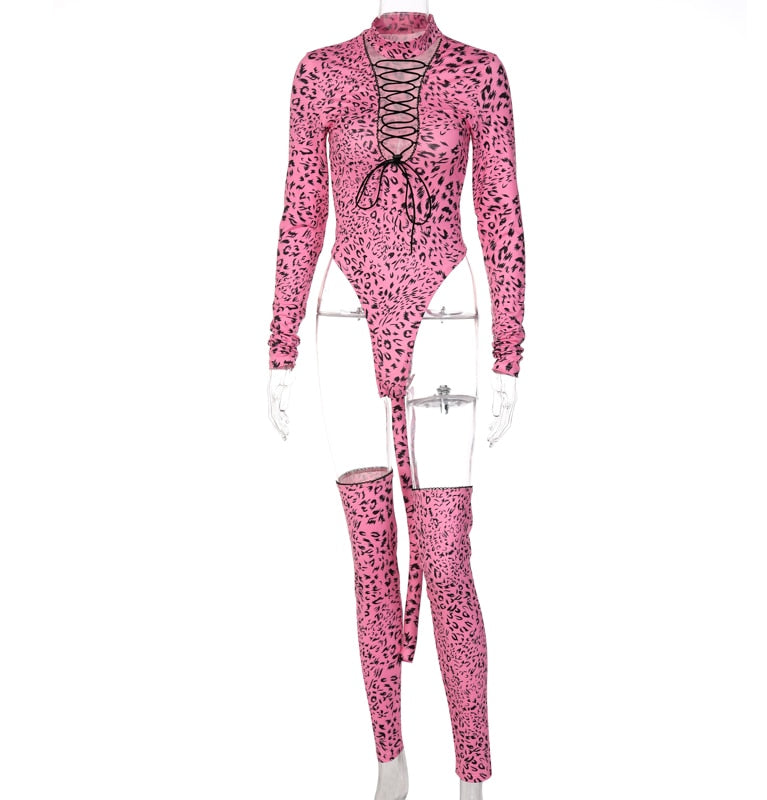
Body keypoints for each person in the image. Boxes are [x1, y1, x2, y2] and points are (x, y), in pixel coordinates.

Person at [267, 7, 526, 799]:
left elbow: (501, 211)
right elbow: (301, 210)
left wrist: (508, 348)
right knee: (371, 553)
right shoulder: (319, 71)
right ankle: (389, 763)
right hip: (344, 315)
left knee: (446, 556)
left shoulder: (479, 71)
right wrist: (280, 344)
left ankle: (472, 777)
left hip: (445, 309)